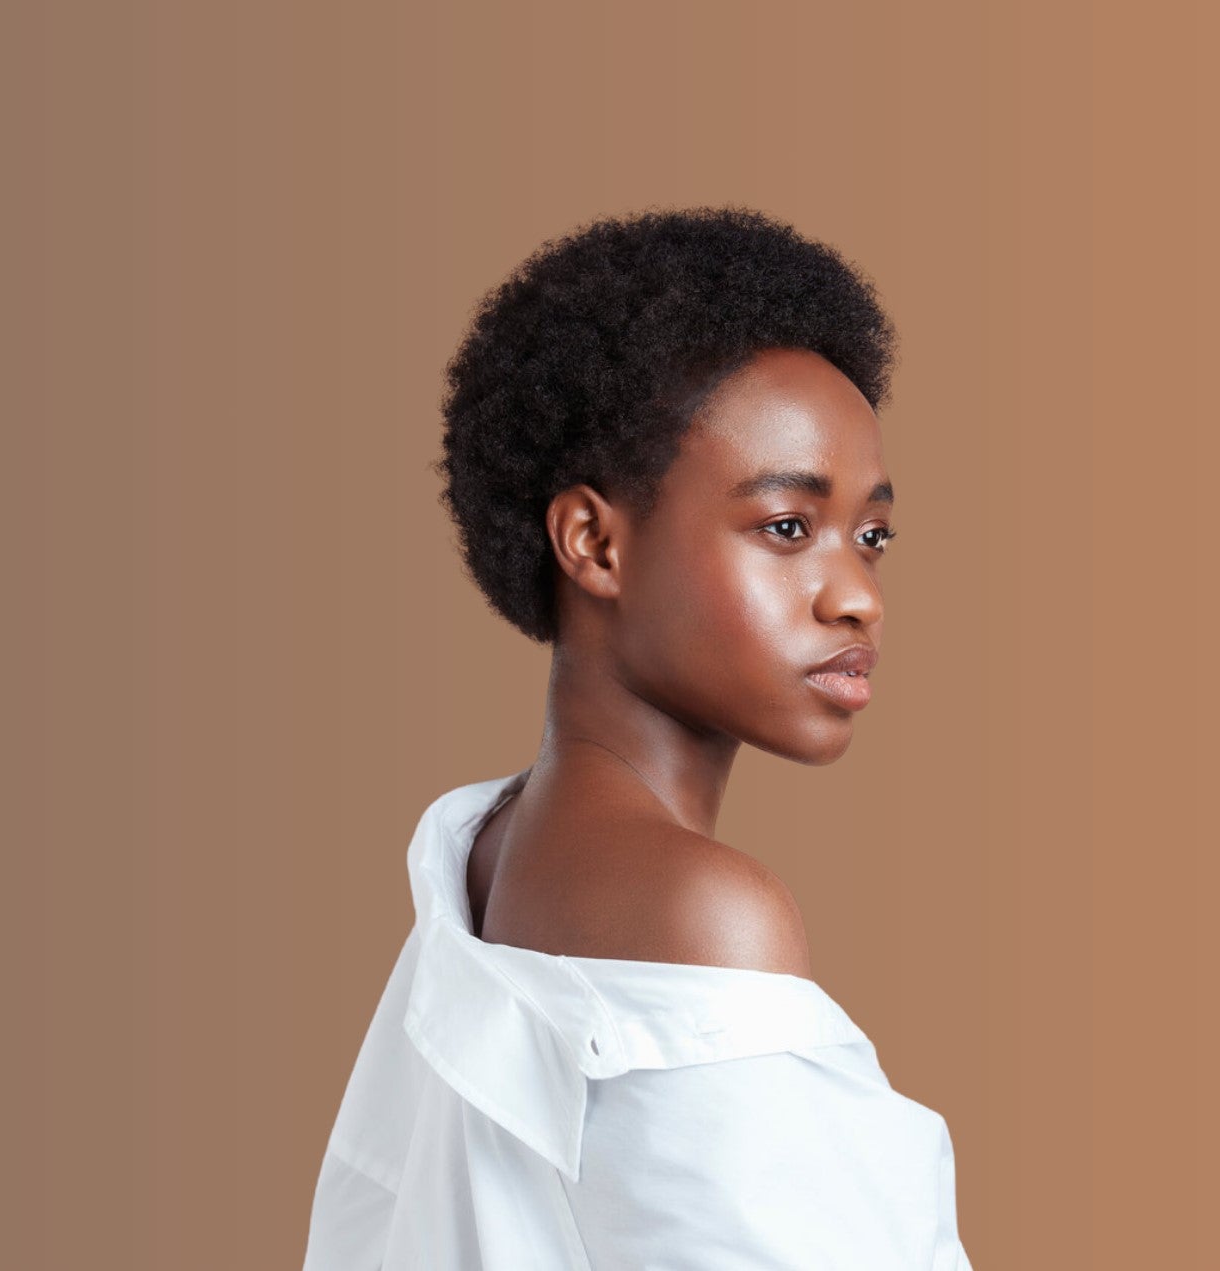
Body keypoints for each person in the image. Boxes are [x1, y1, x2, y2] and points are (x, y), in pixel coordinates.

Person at [302, 205, 972, 1269]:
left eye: (872, 535)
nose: (856, 595)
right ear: (594, 543)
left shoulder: (484, 851)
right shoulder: (700, 911)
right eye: (786, 527)